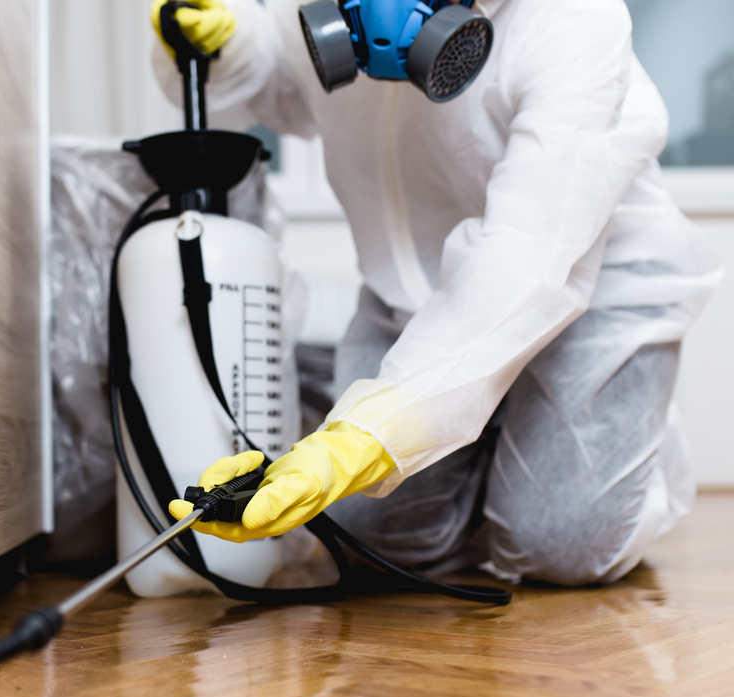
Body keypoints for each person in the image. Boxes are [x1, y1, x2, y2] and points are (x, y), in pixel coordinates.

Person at [156, 0, 723, 585]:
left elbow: (527, 255)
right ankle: (480, 431)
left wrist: (367, 437)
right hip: (411, 298)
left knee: (558, 544)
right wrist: (230, 44)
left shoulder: (570, 19)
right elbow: (273, 78)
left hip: (592, 289)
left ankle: (610, 436)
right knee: (366, 534)